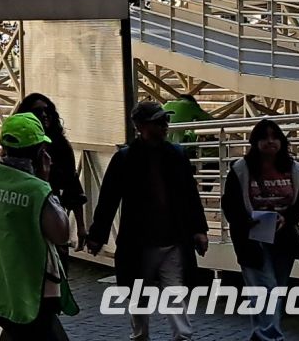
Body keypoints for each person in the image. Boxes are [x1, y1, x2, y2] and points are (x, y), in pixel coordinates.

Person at [86, 101, 208, 341]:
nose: (165, 125)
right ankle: (148, 334)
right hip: (143, 241)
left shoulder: (137, 157)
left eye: (164, 121)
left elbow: (189, 195)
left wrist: (199, 229)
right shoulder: (134, 158)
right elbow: (108, 200)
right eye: (159, 122)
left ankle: (176, 335)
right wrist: (97, 235)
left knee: (165, 290)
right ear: (140, 126)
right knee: (144, 292)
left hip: (161, 237)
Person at [0, 113, 78, 340]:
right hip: (33, 291)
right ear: (40, 152)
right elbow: (62, 234)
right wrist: (44, 178)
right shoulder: (36, 190)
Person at [220, 119, 299, 341]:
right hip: (251, 237)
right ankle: (270, 336)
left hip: (283, 236)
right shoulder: (241, 169)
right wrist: (245, 221)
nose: (270, 142)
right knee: (266, 288)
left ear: (282, 141)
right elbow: (230, 203)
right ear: (255, 142)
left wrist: (287, 218)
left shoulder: (296, 169)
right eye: (264, 137)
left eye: (275, 137)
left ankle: (262, 333)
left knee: (275, 289)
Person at [14, 94, 87, 260]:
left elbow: (72, 185)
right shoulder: (19, 147)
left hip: (52, 212)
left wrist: (81, 227)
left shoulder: (60, 146)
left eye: (47, 111)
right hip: (23, 215)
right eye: (38, 111)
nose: (44, 115)